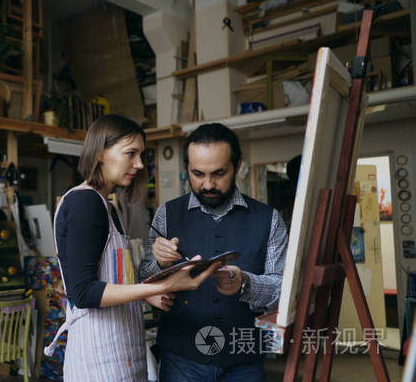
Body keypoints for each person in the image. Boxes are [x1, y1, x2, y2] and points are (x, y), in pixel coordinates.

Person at [44, 114, 220, 381]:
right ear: (101, 152)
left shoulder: (108, 206)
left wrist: (147, 294)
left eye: (141, 155)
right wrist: (163, 286)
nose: (138, 164)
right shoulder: (84, 203)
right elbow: (83, 292)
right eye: (130, 153)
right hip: (98, 359)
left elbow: (109, 279)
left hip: (120, 350)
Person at [139, 123, 288, 381]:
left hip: (244, 358)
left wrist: (246, 283)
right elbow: (145, 277)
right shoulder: (167, 214)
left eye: (218, 173)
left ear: (237, 165)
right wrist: (160, 264)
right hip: (181, 358)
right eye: (198, 174)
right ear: (187, 168)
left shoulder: (269, 219)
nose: (208, 184)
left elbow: (283, 289)